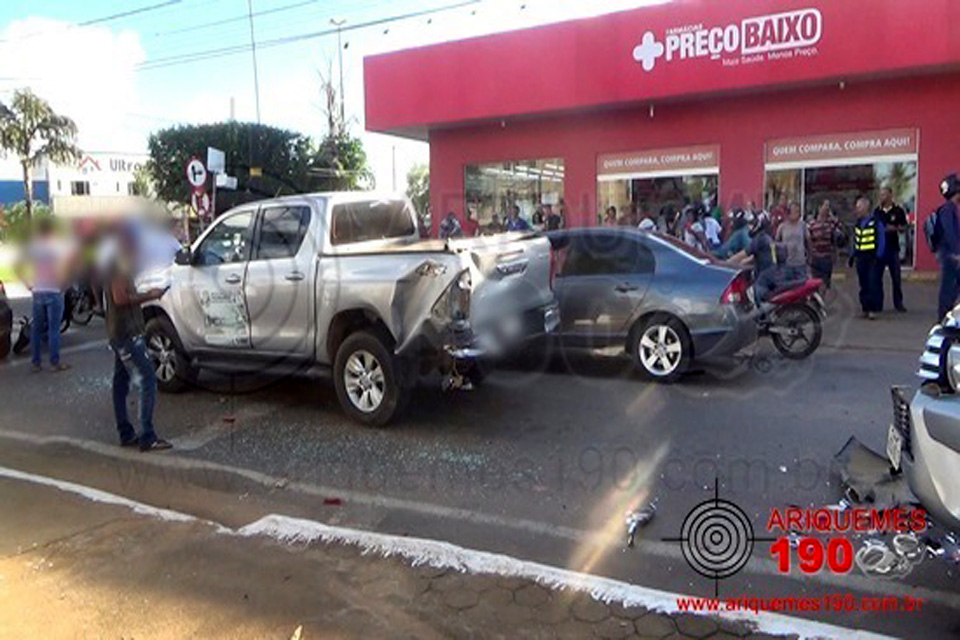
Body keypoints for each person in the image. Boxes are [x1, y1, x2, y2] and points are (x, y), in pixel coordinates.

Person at [104, 224, 172, 451]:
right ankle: (147, 436)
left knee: (121, 383)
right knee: (147, 379)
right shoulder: (119, 265)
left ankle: (126, 433)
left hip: (120, 332)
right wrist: (149, 295)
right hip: (127, 333)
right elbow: (121, 298)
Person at [15, 217, 76, 372]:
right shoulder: (58, 246)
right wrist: (65, 284)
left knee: (36, 329)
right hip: (55, 290)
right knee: (53, 329)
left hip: (38, 290)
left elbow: (18, 265)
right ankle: (54, 362)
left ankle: (36, 363)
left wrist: (27, 283)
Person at [727, 211, 784, 302]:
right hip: (772, 272)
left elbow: (742, 254)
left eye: (752, 224)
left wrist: (726, 263)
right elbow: (753, 257)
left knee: (752, 296)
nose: (750, 227)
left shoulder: (760, 239)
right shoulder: (766, 237)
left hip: (766, 275)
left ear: (759, 224)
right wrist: (741, 264)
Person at [849, 197, 885, 320]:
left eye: (859, 207)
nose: (857, 210)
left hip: (872, 257)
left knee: (872, 284)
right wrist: (852, 255)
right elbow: (855, 239)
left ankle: (872, 310)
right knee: (863, 284)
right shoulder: (858, 223)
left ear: (866, 208)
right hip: (861, 257)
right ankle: (865, 308)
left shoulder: (876, 222)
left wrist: (879, 255)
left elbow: (881, 239)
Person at [874, 186, 908, 312]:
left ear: (890, 195)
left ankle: (898, 304)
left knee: (896, 278)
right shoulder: (877, 212)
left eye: (884, 194)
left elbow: (904, 227)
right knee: (877, 278)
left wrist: (895, 228)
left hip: (893, 248)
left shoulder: (898, 211)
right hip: (880, 249)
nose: (882, 197)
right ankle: (878, 304)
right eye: (880, 194)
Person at [935, 174, 960, 320]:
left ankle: (946, 317)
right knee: (948, 289)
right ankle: (944, 319)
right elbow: (950, 232)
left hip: (950, 255)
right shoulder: (948, 210)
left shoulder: (949, 209)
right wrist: (957, 253)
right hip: (951, 256)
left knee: (950, 288)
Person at [807, 199, 844, 287]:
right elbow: (808, 238)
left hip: (827, 257)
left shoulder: (831, 223)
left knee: (825, 283)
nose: (827, 208)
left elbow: (841, 229)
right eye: (825, 206)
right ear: (820, 208)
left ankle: (824, 298)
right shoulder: (812, 223)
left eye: (828, 206)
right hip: (815, 258)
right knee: (815, 282)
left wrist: (832, 217)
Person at [775, 202, 810, 281]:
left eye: (798, 212)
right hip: (786, 264)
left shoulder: (803, 225)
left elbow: (808, 241)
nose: (797, 214)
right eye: (795, 211)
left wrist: (809, 258)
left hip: (800, 263)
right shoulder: (782, 227)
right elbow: (776, 243)